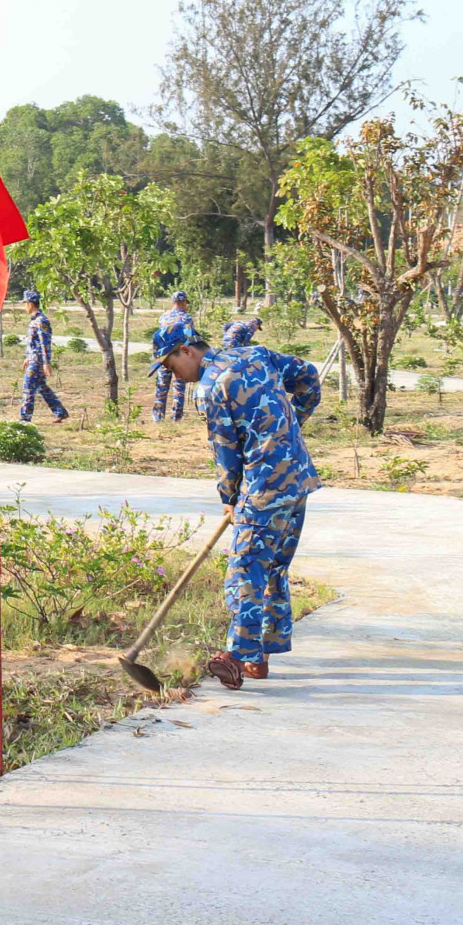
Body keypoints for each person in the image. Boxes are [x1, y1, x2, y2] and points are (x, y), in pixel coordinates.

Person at [149, 318, 321, 690]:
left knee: (244, 570)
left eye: (169, 364)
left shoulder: (211, 387)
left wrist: (229, 498)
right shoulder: (257, 355)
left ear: (187, 351)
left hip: (263, 489)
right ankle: (260, 658)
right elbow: (308, 376)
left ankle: (238, 656)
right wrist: (290, 428)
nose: (172, 374)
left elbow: (225, 451)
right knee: (273, 568)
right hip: (299, 478)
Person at [18, 289, 69, 424]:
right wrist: (28, 357)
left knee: (28, 388)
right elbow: (34, 343)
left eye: (25, 303)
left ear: (30, 304)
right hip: (34, 359)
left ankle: (25, 418)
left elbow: (44, 343)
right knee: (42, 387)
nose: (24, 307)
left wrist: (46, 363)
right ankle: (60, 412)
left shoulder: (41, 321)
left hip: (38, 361)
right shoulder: (35, 320)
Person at [151, 291, 195, 422]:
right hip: (179, 358)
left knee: (161, 386)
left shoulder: (163, 317)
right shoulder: (186, 318)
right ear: (182, 303)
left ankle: (157, 417)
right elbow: (190, 339)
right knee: (179, 388)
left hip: (164, 357)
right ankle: (176, 418)